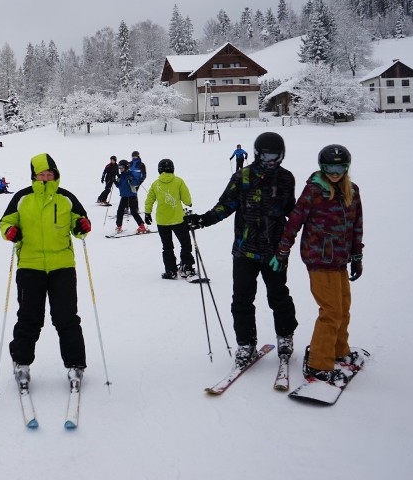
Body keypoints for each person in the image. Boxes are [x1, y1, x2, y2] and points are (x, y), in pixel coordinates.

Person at [186, 132, 298, 368]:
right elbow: (226, 205)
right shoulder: (243, 177)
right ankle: (246, 343)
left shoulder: (286, 178)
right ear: (257, 154)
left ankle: (285, 336)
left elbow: (293, 211)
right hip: (244, 251)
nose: (271, 162)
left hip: (274, 252)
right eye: (267, 156)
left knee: (279, 296)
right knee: (242, 300)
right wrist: (203, 220)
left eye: (276, 157)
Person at [272, 144, 364, 384]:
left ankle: (339, 350)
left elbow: (356, 226)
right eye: (329, 167)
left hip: (341, 259)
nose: (335, 172)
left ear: (346, 167)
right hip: (318, 258)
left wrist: (357, 255)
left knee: (343, 306)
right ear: (322, 168)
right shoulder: (313, 191)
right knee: (331, 311)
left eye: (339, 167)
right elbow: (294, 221)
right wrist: (283, 249)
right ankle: (318, 364)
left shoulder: (352, 190)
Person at [0, 153, 91, 387]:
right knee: (29, 318)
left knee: (66, 318)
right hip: (30, 266)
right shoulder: (22, 198)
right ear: (34, 175)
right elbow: (6, 222)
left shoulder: (66, 198)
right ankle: (21, 363)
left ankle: (75, 365)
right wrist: (10, 231)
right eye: (42, 173)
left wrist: (82, 226)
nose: (46, 177)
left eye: (50, 173)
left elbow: (80, 225)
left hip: (62, 266)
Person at [143, 159, 194, 280]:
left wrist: (147, 213)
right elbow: (186, 199)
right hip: (178, 219)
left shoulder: (156, 184)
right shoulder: (178, 181)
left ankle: (170, 270)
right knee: (185, 243)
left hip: (162, 221)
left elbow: (149, 199)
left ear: (159, 170)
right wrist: (189, 203)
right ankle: (187, 266)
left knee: (167, 246)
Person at [113, 159, 147, 235]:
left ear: (126, 167)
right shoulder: (121, 176)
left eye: (122, 167)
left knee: (133, 212)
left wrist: (131, 180)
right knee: (120, 211)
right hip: (124, 196)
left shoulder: (131, 174)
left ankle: (142, 226)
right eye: (119, 168)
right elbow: (119, 185)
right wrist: (115, 182)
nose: (120, 169)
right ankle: (119, 226)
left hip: (132, 195)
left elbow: (136, 183)